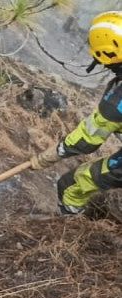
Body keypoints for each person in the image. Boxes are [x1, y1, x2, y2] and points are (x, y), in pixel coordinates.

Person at [30, 11, 122, 215]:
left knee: (71, 185)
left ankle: (65, 228)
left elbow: (89, 138)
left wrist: (57, 151)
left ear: (108, 52)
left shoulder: (118, 99)